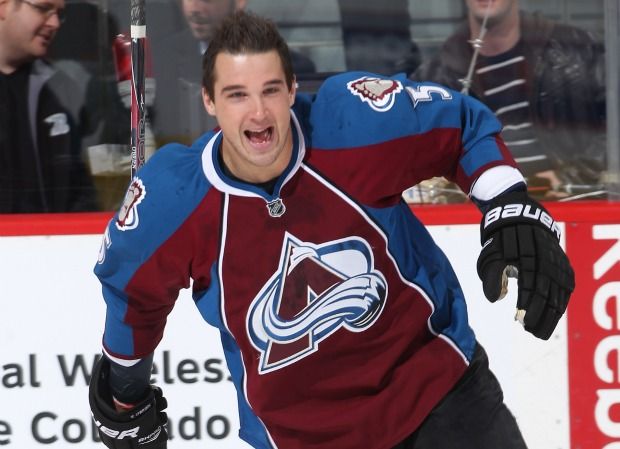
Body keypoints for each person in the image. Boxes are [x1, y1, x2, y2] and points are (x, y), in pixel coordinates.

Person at [88, 10, 575, 449]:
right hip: (300, 438)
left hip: (437, 398)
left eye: (270, 90)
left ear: (293, 89)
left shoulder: (351, 124)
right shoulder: (174, 199)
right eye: (237, 95)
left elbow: (460, 127)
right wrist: (126, 396)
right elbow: (134, 297)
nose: (258, 114)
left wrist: (507, 202)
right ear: (209, 101)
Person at [412, 0, 606, 199]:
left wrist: (572, 179)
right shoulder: (435, 77)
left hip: (571, 207)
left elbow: (613, 132)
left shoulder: (578, 49)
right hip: (476, 216)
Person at [151, 0, 317, 147]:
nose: (194, 8)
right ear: (208, 99)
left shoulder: (297, 66)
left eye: (206, 0)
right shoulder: (162, 58)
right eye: (237, 94)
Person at [0, 0, 97, 213]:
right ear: (4, 6)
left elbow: (81, 189)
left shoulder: (63, 90)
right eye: (43, 9)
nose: (54, 23)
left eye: (58, 14)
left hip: (54, 243)